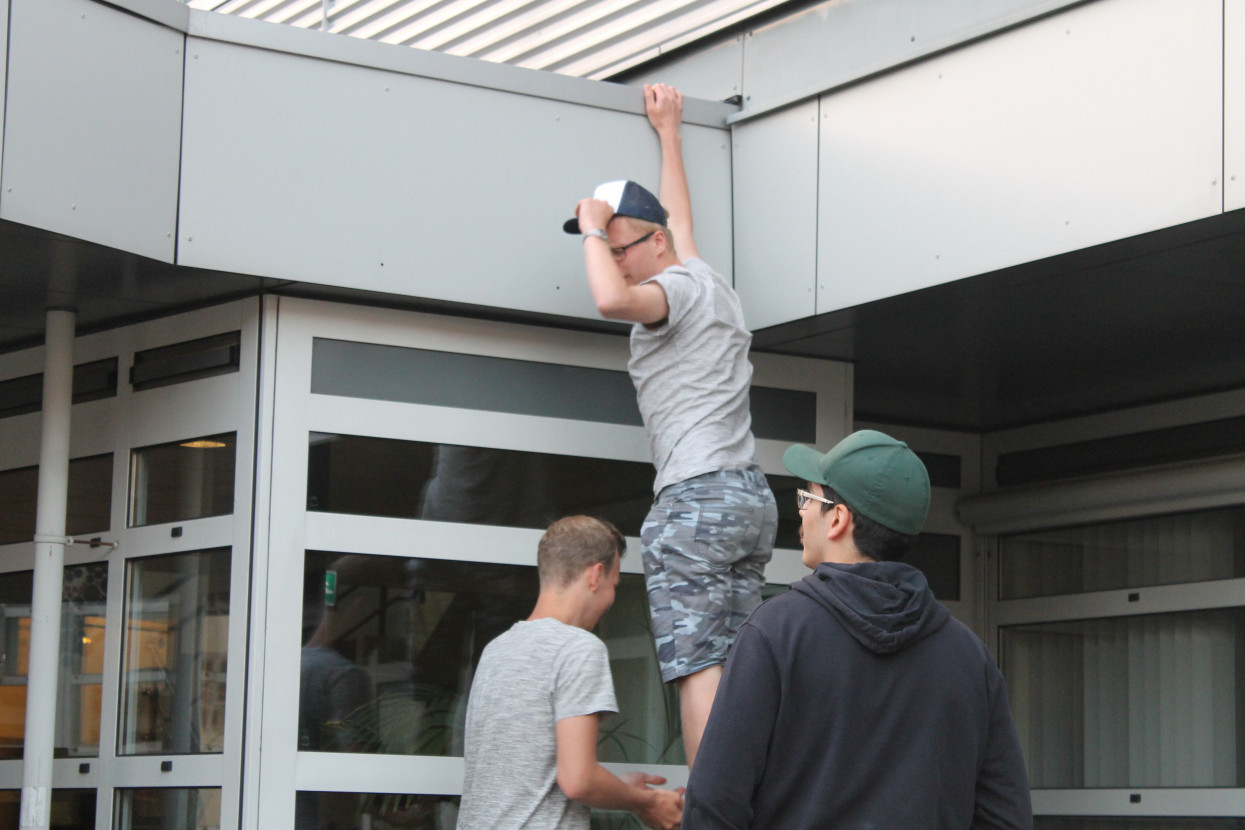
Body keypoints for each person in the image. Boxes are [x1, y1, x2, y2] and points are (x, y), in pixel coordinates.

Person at [564, 83, 777, 766]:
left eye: (624, 245)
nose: (615, 257)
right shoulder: (703, 275)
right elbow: (677, 220)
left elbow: (608, 298)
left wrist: (591, 225)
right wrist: (670, 133)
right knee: (739, 666)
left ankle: (714, 806)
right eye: (611, 246)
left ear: (650, 245)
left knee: (696, 665)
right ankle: (756, 792)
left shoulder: (671, 291)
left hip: (695, 500)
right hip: (746, 499)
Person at [682, 430, 1033, 829]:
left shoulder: (776, 633)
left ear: (838, 518)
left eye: (807, 499)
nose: (800, 511)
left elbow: (713, 801)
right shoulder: (969, 657)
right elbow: (1006, 816)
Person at [458, 515, 684, 830]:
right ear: (596, 575)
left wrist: (622, 790)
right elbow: (578, 781)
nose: (610, 600)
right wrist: (650, 802)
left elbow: (535, 776)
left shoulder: (497, 650)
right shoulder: (577, 648)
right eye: (614, 585)